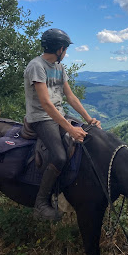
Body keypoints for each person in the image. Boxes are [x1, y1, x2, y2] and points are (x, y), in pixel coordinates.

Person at [24, 28, 101, 221]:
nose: (65, 53)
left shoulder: (59, 68)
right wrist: (70, 128)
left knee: (87, 135)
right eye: (65, 49)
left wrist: (88, 119)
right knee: (58, 156)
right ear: (60, 49)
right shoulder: (36, 66)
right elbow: (46, 104)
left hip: (57, 115)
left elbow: (70, 96)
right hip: (41, 118)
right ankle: (40, 204)